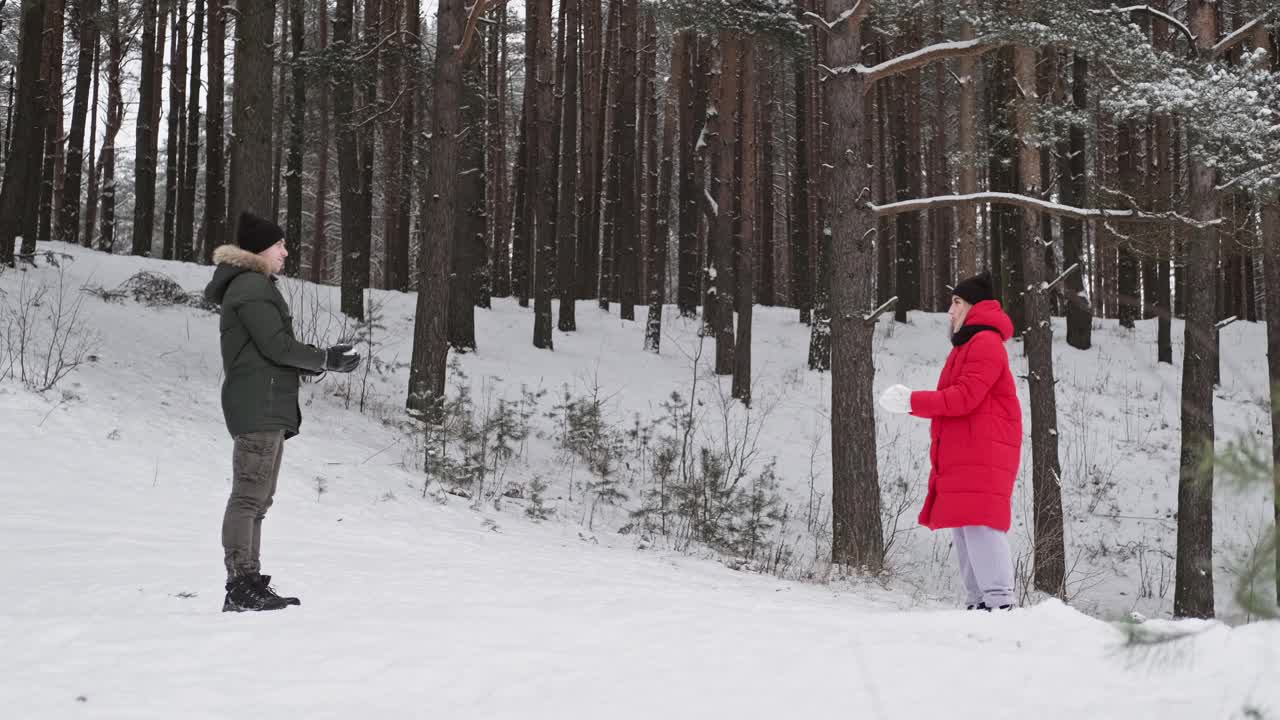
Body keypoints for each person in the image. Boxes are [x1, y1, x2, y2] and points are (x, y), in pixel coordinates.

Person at [204, 211, 361, 612]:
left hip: (266, 403)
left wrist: (320, 361)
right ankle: (240, 584)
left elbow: (272, 350)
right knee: (249, 495)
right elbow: (276, 346)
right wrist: (326, 358)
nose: (286, 252)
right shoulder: (252, 287)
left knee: (260, 497)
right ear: (260, 250)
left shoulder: (254, 286)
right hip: (258, 404)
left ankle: (249, 579)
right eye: (280, 245)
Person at [878, 272, 1022, 610]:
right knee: (966, 525)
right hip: (969, 451)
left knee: (981, 524)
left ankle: (1000, 602)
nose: (950, 310)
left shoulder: (985, 341)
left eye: (957, 302)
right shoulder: (967, 345)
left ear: (975, 307)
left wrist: (913, 401)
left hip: (984, 451)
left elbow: (965, 397)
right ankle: (980, 602)